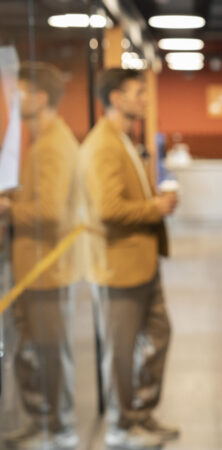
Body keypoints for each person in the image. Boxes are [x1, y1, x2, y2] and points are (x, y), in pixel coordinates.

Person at [81, 68, 178, 449]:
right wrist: (155, 208)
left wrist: (156, 203)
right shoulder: (101, 145)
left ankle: (140, 413)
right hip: (117, 268)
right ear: (117, 98)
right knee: (120, 352)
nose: (145, 98)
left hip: (142, 262)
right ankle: (122, 427)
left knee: (159, 335)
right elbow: (108, 209)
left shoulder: (122, 140)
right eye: (138, 92)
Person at [2, 62, 81, 449]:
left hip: (46, 270)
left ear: (40, 97)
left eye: (19, 92)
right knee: (36, 351)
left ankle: (61, 430)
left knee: (50, 353)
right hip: (34, 269)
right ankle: (43, 423)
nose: (13, 100)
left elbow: (49, 213)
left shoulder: (53, 145)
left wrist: (6, 208)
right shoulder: (42, 140)